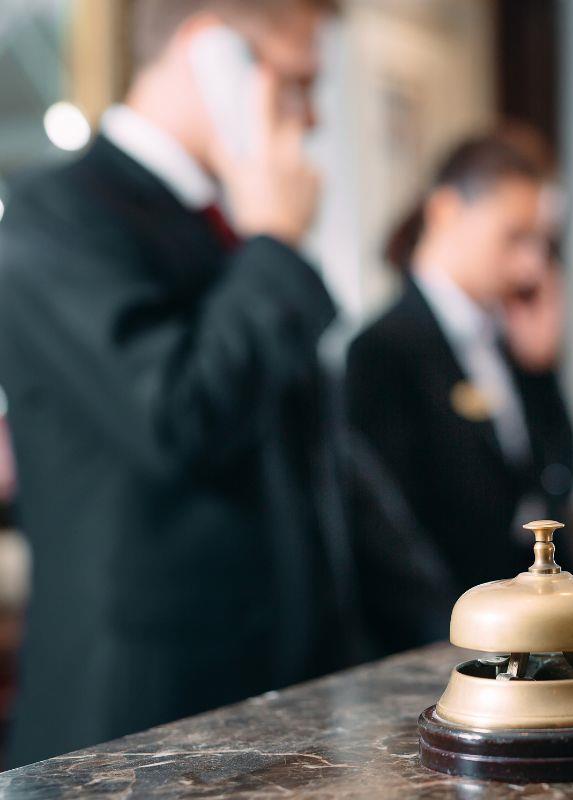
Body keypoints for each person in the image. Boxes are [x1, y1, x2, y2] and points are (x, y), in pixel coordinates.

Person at [0, 0, 351, 767]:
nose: (312, 118)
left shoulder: (232, 226)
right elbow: (178, 419)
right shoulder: (51, 215)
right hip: (134, 727)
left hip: (277, 703)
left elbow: (317, 463)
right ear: (211, 52)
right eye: (297, 83)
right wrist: (276, 244)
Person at [346, 133, 573, 647]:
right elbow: (391, 535)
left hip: (528, 633)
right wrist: (458, 639)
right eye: (514, 237)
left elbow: (553, 484)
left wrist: (542, 371)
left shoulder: (509, 337)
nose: (532, 267)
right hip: (447, 642)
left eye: (541, 243)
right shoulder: (379, 351)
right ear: (447, 212)